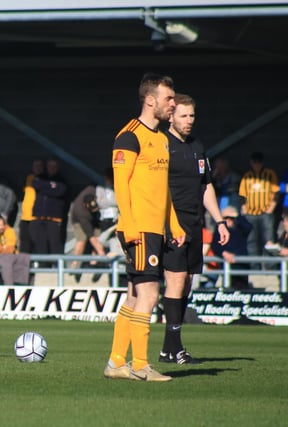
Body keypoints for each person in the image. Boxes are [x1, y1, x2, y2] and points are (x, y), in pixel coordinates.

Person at [104, 73, 185, 382]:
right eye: (168, 99)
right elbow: (120, 186)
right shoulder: (128, 136)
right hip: (138, 228)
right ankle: (140, 365)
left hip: (156, 228)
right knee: (150, 294)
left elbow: (163, 189)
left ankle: (115, 363)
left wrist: (174, 223)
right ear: (151, 100)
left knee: (135, 296)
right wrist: (130, 223)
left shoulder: (162, 139)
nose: (172, 104)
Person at [159, 93, 230, 365]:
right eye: (184, 116)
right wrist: (167, 223)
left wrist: (219, 220)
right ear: (171, 116)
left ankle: (170, 348)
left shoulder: (197, 146)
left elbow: (206, 185)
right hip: (171, 224)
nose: (189, 121)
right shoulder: (162, 144)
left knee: (187, 282)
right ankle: (174, 348)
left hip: (194, 223)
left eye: (192, 116)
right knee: (175, 280)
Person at [238, 151, 279, 261]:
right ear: (251, 163)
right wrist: (244, 208)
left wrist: (271, 208)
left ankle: (269, 268)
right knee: (251, 241)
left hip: (266, 213)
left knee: (269, 240)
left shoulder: (270, 174)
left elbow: (276, 193)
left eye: (259, 162)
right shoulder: (247, 176)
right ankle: (253, 266)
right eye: (255, 162)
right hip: (251, 214)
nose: (257, 165)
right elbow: (242, 194)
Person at [29, 158, 69, 256]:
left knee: (55, 244)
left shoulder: (61, 180)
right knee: (40, 244)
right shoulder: (40, 177)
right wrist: (50, 187)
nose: (52, 169)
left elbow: (60, 191)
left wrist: (45, 188)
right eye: (50, 166)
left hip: (54, 219)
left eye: (54, 167)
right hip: (39, 217)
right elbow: (36, 184)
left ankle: (57, 268)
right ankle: (42, 267)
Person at [211, 206, 252, 289]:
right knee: (228, 288)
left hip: (241, 265)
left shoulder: (240, 230)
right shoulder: (219, 232)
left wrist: (238, 215)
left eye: (231, 218)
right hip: (226, 265)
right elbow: (215, 245)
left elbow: (249, 227)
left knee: (242, 289)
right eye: (225, 218)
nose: (228, 220)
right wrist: (223, 253)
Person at [0, 214, 30, 285]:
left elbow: (10, 249)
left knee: (6, 262)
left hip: (10, 257)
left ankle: (9, 285)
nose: (1, 227)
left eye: (2, 225)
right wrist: (3, 248)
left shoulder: (10, 231)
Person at [19, 159, 44, 253]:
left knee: (38, 244)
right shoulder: (29, 177)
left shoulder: (45, 180)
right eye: (35, 166)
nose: (37, 168)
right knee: (24, 243)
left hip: (37, 217)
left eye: (40, 166)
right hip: (26, 217)